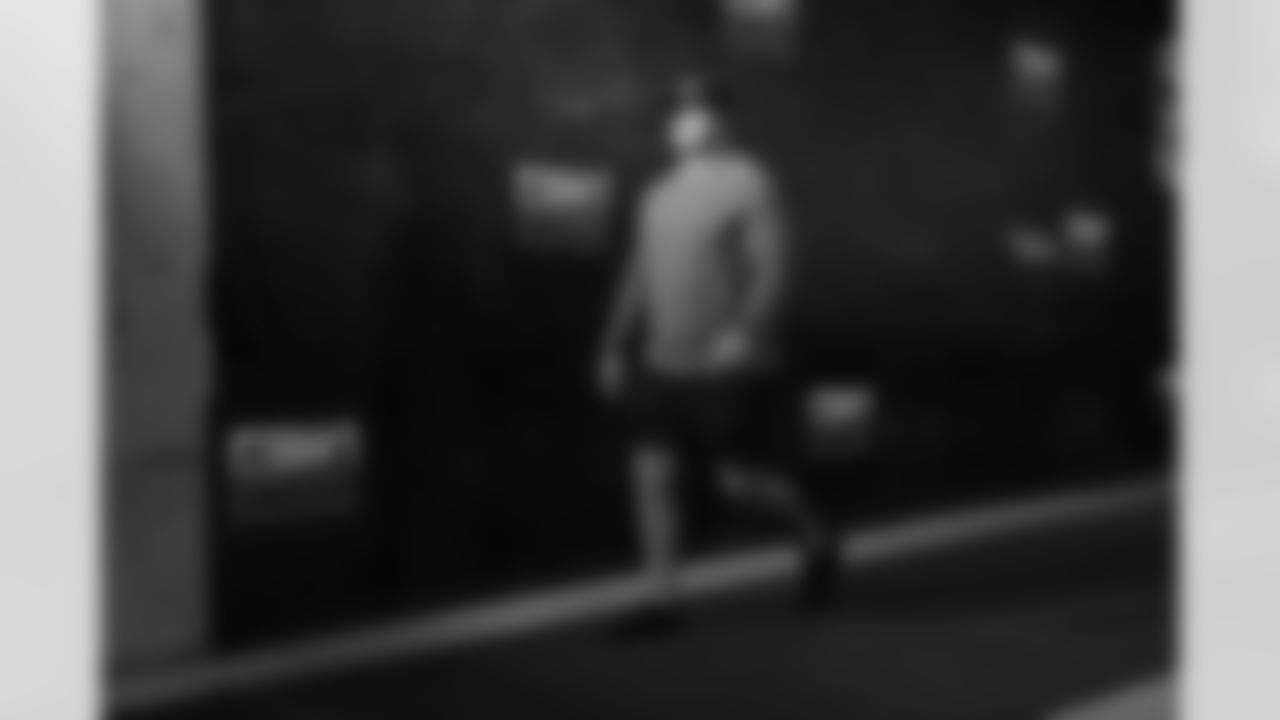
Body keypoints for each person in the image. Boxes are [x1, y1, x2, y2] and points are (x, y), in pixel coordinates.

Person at [596, 75, 838, 636]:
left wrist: (747, 329)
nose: (688, 120)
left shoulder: (751, 180)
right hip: (660, 361)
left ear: (726, 121)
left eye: (701, 110)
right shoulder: (656, 193)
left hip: (724, 362)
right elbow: (638, 273)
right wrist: (610, 342)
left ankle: (818, 535)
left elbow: (775, 265)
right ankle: (662, 601)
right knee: (651, 475)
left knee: (740, 481)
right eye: (680, 111)